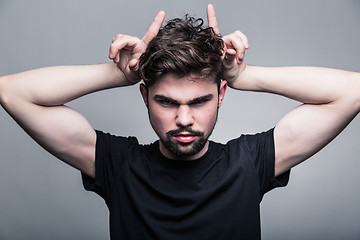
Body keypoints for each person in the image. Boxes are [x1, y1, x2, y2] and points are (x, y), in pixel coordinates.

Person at [0, 4, 359, 239]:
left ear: (220, 95)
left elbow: (353, 91)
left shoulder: (250, 162)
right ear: (145, 97)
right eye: (167, 102)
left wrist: (245, 76)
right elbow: (12, 91)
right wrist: (119, 74)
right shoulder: (117, 164)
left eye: (200, 101)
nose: (184, 119)